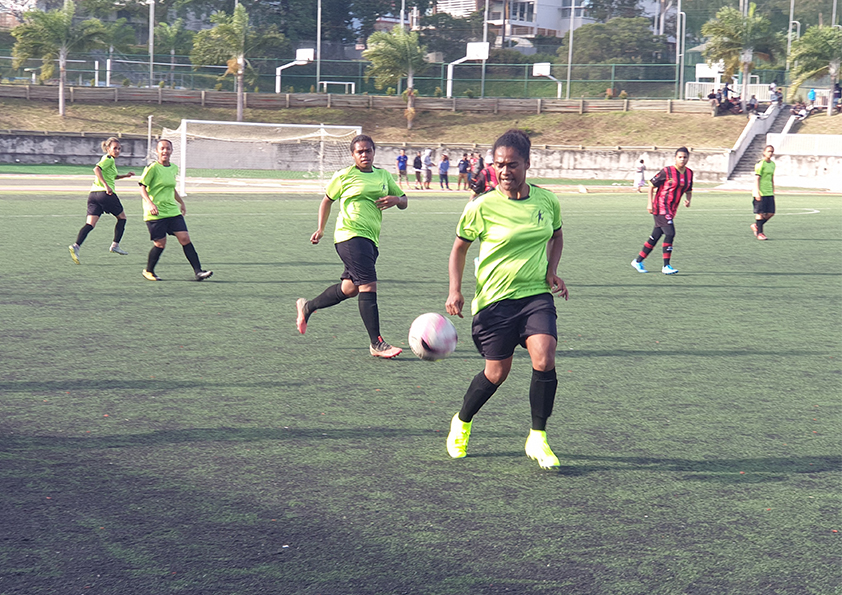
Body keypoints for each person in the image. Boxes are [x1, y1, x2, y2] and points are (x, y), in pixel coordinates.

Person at [445, 129, 568, 469]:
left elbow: (557, 235)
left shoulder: (547, 201)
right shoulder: (481, 206)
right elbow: (459, 249)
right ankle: (462, 422)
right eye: (499, 164)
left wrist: (551, 271)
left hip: (535, 295)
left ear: (527, 163)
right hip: (494, 301)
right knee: (496, 373)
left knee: (544, 356)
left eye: (512, 164)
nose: (504, 171)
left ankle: (538, 437)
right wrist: (455, 289)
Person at [295, 134, 408, 359]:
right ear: (353, 155)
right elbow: (327, 200)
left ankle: (308, 307)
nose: (364, 155)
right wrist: (321, 229)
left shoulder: (383, 175)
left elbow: (404, 200)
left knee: (350, 288)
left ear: (374, 152)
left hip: (371, 239)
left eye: (368, 151)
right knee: (368, 285)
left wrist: (396, 200)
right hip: (350, 235)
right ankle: (377, 343)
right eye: (360, 151)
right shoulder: (344, 176)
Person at [138, 139, 213, 282]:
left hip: (172, 211)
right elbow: (142, 187)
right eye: (162, 148)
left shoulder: (173, 168)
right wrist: (150, 203)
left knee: (185, 239)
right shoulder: (152, 168)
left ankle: (198, 271)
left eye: (168, 148)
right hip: (156, 213)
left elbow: (171, 188)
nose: (165, 151)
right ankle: (148, 271)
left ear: (172, 151)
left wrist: (181, 202)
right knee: (160, 244)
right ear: (157, 151)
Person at [68, 137, 134, 264]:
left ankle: (76, 246)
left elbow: (112, 176)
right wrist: (107, 186)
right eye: (115, 148)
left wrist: (125, 175)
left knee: (90, 224)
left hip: (93, 195)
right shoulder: (108, 159)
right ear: (108, 149)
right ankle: (115, 245)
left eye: (119, 149)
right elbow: (96, 169)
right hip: (105, 194)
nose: (117, 151)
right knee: (122, 218)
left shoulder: (109, 161)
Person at [631, 147, 693, 275]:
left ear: (688, 159)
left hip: (672, 209)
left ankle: (638, 261)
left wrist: (688, 200)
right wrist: (650, 203)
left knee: (655, 236)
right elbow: (651, 185)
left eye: (685, 157)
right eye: (680, 157)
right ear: (675, 158)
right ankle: (666, 266)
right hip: (661, 206)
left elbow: (688, 189)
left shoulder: (689, 173)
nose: (682, 159)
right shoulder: (667, 171)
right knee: (670, 233)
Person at [751, 145, 776, 241]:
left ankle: (756, 225)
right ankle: (760, 233)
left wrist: (773, 189)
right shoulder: (760, 164)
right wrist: (757, 192)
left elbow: (771, 177)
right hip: (761, 192)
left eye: (772, 151)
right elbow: (757, 178)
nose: (770, 153)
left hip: (769, 192)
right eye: (768, 151)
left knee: (771, 213)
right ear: (764, 152)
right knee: (760, 213)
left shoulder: (772, 164)